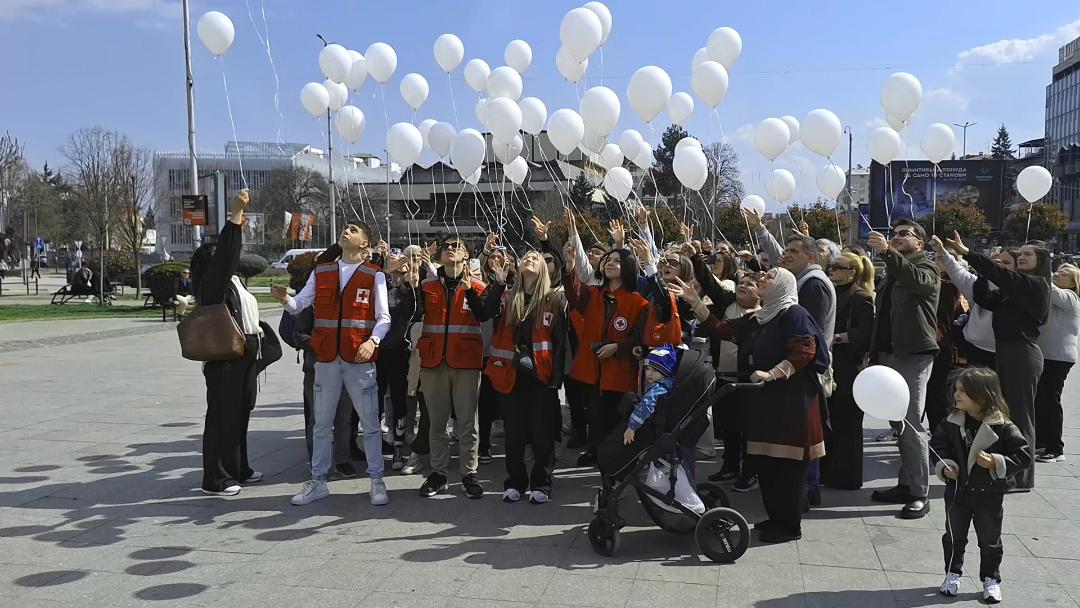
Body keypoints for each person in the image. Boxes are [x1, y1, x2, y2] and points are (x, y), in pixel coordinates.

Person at [699, 268, 830, 543]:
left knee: (788, 470)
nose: (762, 279)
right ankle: (776, 518)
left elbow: (805, 352)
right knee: (767, 466)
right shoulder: (759, 317)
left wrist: (772, 374)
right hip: (764, 404)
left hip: (792, 405)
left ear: (783, 284)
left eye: (769, 276)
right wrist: (695, 303)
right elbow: (724, 330)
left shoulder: (794, 314)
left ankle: (789, 527)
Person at [273, 222, 392, 507]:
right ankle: (318, 481)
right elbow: (300, 305)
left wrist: (372, 341)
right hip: (326, 359)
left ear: (365, 243)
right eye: (345, 229)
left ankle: (376, 479)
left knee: (370, 423)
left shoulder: (374, 275)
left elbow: (384, 318)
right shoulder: (322, 271)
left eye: (353, 230)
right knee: (321, 424)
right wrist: (286, 299)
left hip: (358, 358)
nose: (346, 232)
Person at [945, 232, 1050, 490]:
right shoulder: (1017, 288)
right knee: (1010, 413)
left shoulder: (1035, 284)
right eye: (1020, 253)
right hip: (1007, 351)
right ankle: (1012, 471)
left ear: (1042, 260)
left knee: (1021, 416)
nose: (1021, 257)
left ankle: (1022, 477)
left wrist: (968, 253)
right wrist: (963, 268)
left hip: (1022, 353)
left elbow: (1000, 275)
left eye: (1028, 254)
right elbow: (986, 298)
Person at [746, 211, 835, 508]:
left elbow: (811, 337)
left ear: (812, 256)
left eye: (792, 252)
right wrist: (759, 229)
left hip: (801, 377)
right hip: (789, 376)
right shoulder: (797, 280)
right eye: (785, 251)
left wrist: (776, 369)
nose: (784, 256)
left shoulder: (813, 285)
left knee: (802, 440)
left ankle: (806, 492)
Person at [190, 189, 271, 496]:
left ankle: (239, 468)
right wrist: (236, 214)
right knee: (222, 418)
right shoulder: (213, 285)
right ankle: (217, 478)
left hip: (246, 354)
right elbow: (226, 254)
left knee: (240, 415)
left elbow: (249, 261)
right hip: (225, 358)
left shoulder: (235, 280)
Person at [930, 367, 1031, 604]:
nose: (956, 395)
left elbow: (1024, 456)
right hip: (957, 492)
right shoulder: (951, 422)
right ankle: (952, 574)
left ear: (982, 395)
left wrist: (996, 462)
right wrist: (946, 465)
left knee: (989, 540)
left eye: (963, 391)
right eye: (956, 390)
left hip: (989, 494)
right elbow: (938, 445)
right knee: (954, 536)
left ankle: (991, 579)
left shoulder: (1003, 425)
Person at [415, 235, 499, 499]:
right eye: (447, 247)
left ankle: (468, 474)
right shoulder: (426, 285)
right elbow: (414, 314)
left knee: (467, 423)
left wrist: (472, 289)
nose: (451, 250)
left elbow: (484, 315)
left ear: (466, 255)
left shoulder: (476, 285)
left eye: (457, 247)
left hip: (465, 363)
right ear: (439, 256)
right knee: (437, 423)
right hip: (433, 362)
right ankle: (438, 473)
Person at [868, 220, 941, 518]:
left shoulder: (927, 267)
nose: (895, 238)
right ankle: (905, 482)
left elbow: (918, 284)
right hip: (889, 354)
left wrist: (888, 253)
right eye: (893, 234)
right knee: (898, 424)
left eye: (903, 235)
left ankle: (919, 493)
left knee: (912, 426)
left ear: (919, 243)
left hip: (913, 356)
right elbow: (882, 316)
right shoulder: (893, 269)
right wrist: (873, 354)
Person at [562, 212, 648, 468]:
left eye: (616, 260)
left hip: (620, 374)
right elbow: (574, 297)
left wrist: (618, 348)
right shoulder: (592, 294)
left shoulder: (637, 301)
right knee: (597, 424)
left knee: (617, 426)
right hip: (593, 373)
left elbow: (639, 339)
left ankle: (620, 471)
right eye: (607, 260)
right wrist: (569, 268)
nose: (610, 263)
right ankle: (604, 476)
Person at [484, 250, 567, 503]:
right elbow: (485, 311)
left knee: (541, 433)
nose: (530, 260)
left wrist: (556, 379)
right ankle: (515, 482)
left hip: (540, 377)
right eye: (526, 258)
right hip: (510, 375)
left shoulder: (553, 300)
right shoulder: (507, 296)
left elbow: (560, 342)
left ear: (543, 268)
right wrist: (498, 283)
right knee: (514, 433)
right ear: (518, 268)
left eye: (535, 258)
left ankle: (541, 483)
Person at [284, 252, 360, 480]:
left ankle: (342, 460)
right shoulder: (313, 303)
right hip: (317, 369)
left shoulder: (350, 302)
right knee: (319, 420)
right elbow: (299, 335)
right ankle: (318, 462)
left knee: (344, 419)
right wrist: (325, 345)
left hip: (345, 368)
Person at [821, 251, 875, 490]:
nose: (832, 269)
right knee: (833, 422)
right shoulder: (833, 291)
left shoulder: (860, 297)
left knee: (848, 425)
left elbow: (864, 333)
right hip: (834, 366)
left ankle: (848, 477)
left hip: (848, 368)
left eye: (838, 267)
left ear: (852, 272)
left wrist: (836, 338)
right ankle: (831, 472)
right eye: (831, 266)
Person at [378, 248, 423, 471]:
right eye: (393, 263)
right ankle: (376, 446)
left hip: (400, 353)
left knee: (399, 402)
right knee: (375, 402)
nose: (399, 268)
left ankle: (398, 449)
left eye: (403, 264)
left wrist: (412, 284)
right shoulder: (380, 287)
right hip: (377, 352)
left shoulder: (410, 293)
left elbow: (417, 312)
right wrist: (391, 273)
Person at [1034, 263, 1080, 463]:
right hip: (1046, 355)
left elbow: (1050, 288)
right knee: (1041, 399)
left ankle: (1056, 447)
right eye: (1058, 271)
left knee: (1050, 400)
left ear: (1073, 282)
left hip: (1059, 357)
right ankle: (1044, 441)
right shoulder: (1053, 295)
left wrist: (1041, 266)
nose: (1058, 274)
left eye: (1064, 274)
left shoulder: (1070, 297)